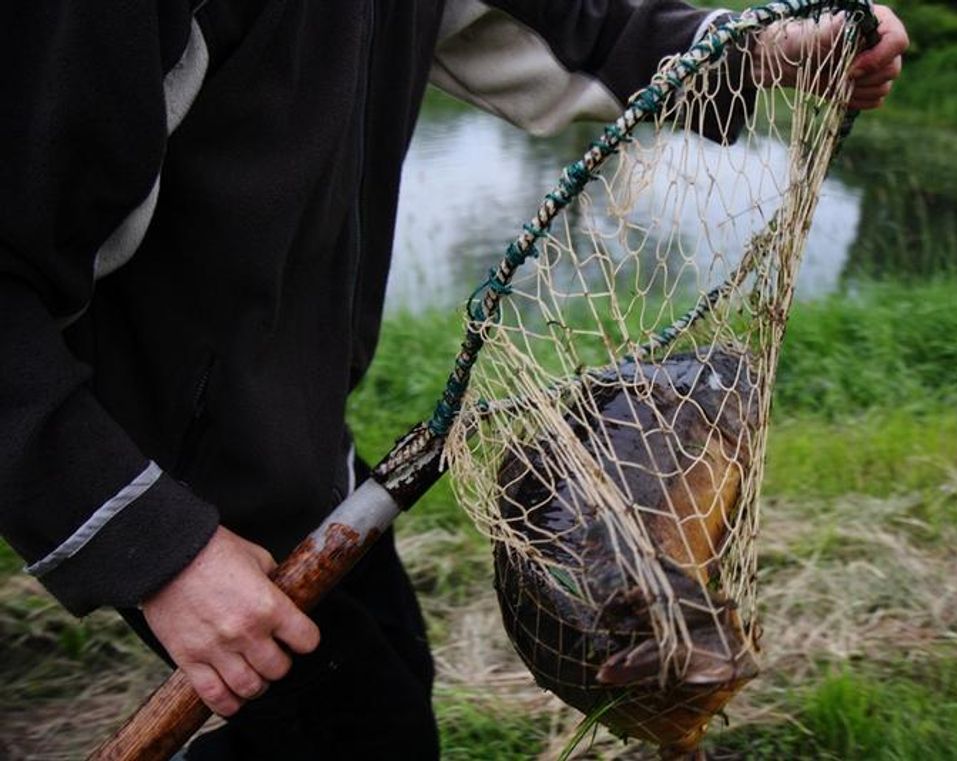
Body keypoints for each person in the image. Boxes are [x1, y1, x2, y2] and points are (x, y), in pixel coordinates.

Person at [0, 2, 907, 758]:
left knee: (384, 666)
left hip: (293, 426)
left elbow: (561, 23)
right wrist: (160, 546)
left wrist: (751, 49)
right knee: (357, 725)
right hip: (158, 461)